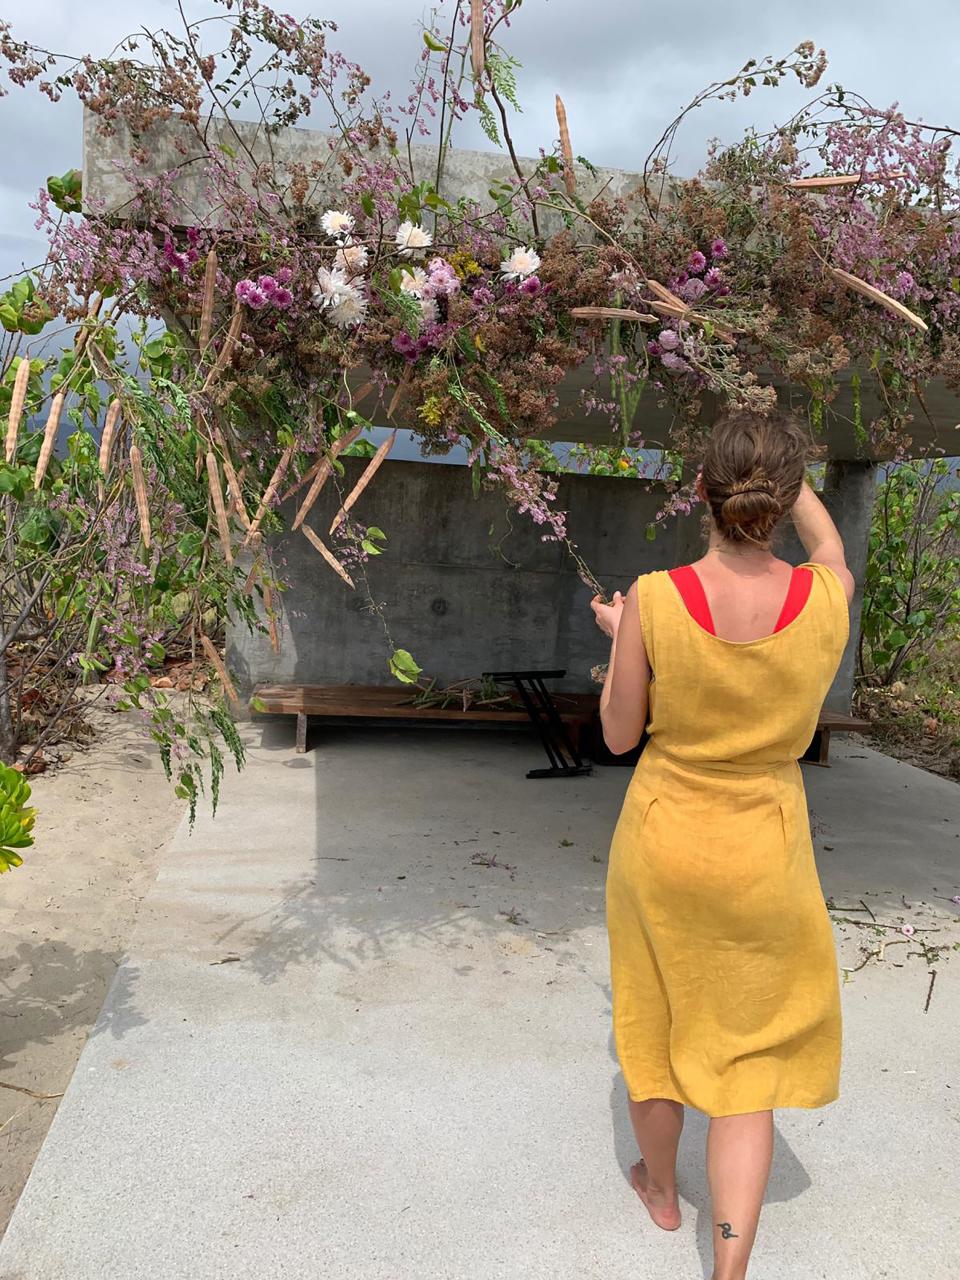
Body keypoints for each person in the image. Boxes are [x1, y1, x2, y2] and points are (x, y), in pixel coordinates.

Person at [590, 409, 855, 1280]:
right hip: (766, 850)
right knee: (748, 1063)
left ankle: (662, 1193)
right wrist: (787, 480)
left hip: (666, 840)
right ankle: (730, 1268)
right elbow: (830, 551)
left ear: (699, 492)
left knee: (655, 1029)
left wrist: (626, 638)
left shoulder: (655, 599)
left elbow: (621, 736)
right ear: (781, 498)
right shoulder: (825, 599)